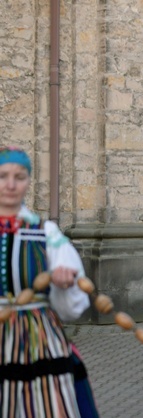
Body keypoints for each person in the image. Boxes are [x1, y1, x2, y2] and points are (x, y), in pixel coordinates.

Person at [0, 147, 98, 417]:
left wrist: (63, 285)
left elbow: (73, 309)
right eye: (3, 176)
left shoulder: (46, 234)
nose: (10, 184)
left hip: (38, 341)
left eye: (19, 177)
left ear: (28, 181)